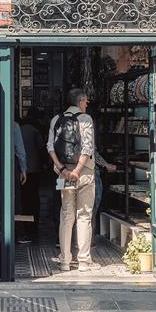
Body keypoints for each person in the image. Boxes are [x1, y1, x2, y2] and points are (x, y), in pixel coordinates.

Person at [48, 88, 99, 273]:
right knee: (84, 215)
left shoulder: (56, 119)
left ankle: (64, 260)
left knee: (66, 215)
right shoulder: (86, 119)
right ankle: (84, 260)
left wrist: (63, 169)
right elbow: (87, 148)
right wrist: (77, 170)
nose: (87, 105)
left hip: (64, 174)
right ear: (81, 101)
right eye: (86, 102)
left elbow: (50, 147)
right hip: (84, 173)